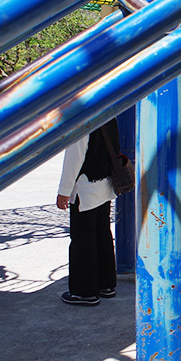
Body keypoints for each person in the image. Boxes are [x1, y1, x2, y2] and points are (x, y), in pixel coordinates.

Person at [56, 119, 121, 306]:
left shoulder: (81, 120)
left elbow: (74, 158)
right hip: (105, 184)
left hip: (85, 187)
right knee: (102, 235)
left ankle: (84, 292)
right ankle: (106, 284)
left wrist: (64, 190)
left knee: (83, 240)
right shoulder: (110, 115)